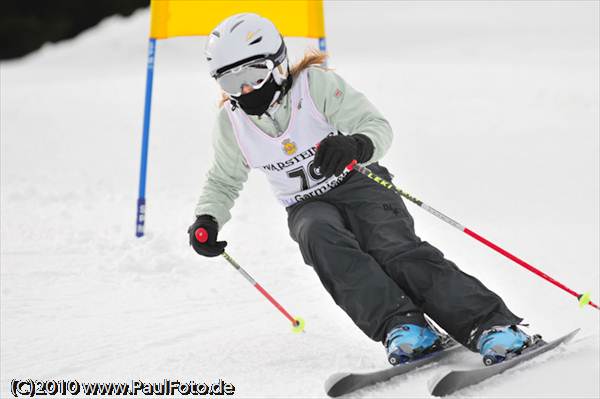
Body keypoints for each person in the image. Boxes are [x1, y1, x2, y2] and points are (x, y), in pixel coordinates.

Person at [189, 13, 534, 366]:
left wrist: (356, 145)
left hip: (361, 185)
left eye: (253, 75)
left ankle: (491, 325)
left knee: (393, 249)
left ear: (277, 65)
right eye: (232, 82)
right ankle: (404, 327)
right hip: (306, 204)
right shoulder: (232, 124)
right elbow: (224, 178)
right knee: (319, 237)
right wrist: (208, 218)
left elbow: (375, 126)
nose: (246, 90)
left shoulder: (314, 87)